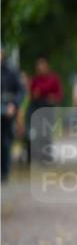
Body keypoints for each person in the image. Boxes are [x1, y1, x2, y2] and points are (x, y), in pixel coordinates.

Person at [27, 57, 63, 163]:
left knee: (47, 132)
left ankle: (46, 155)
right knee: (37, 132)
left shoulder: (53, 78)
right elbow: (31, 95)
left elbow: (59, 94)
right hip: (37, 107)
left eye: (42, 67)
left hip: (48, 108)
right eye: (38, 67)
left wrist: (53, 97)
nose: (40, 69)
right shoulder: (35, 80)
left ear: (46, 67)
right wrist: (35, 94)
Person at [1, 46, 25, 182]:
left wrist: (13, 105)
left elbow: (21, 91)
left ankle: (4, 172)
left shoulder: (11, 71)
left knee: (5, 140)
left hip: (7, 109)